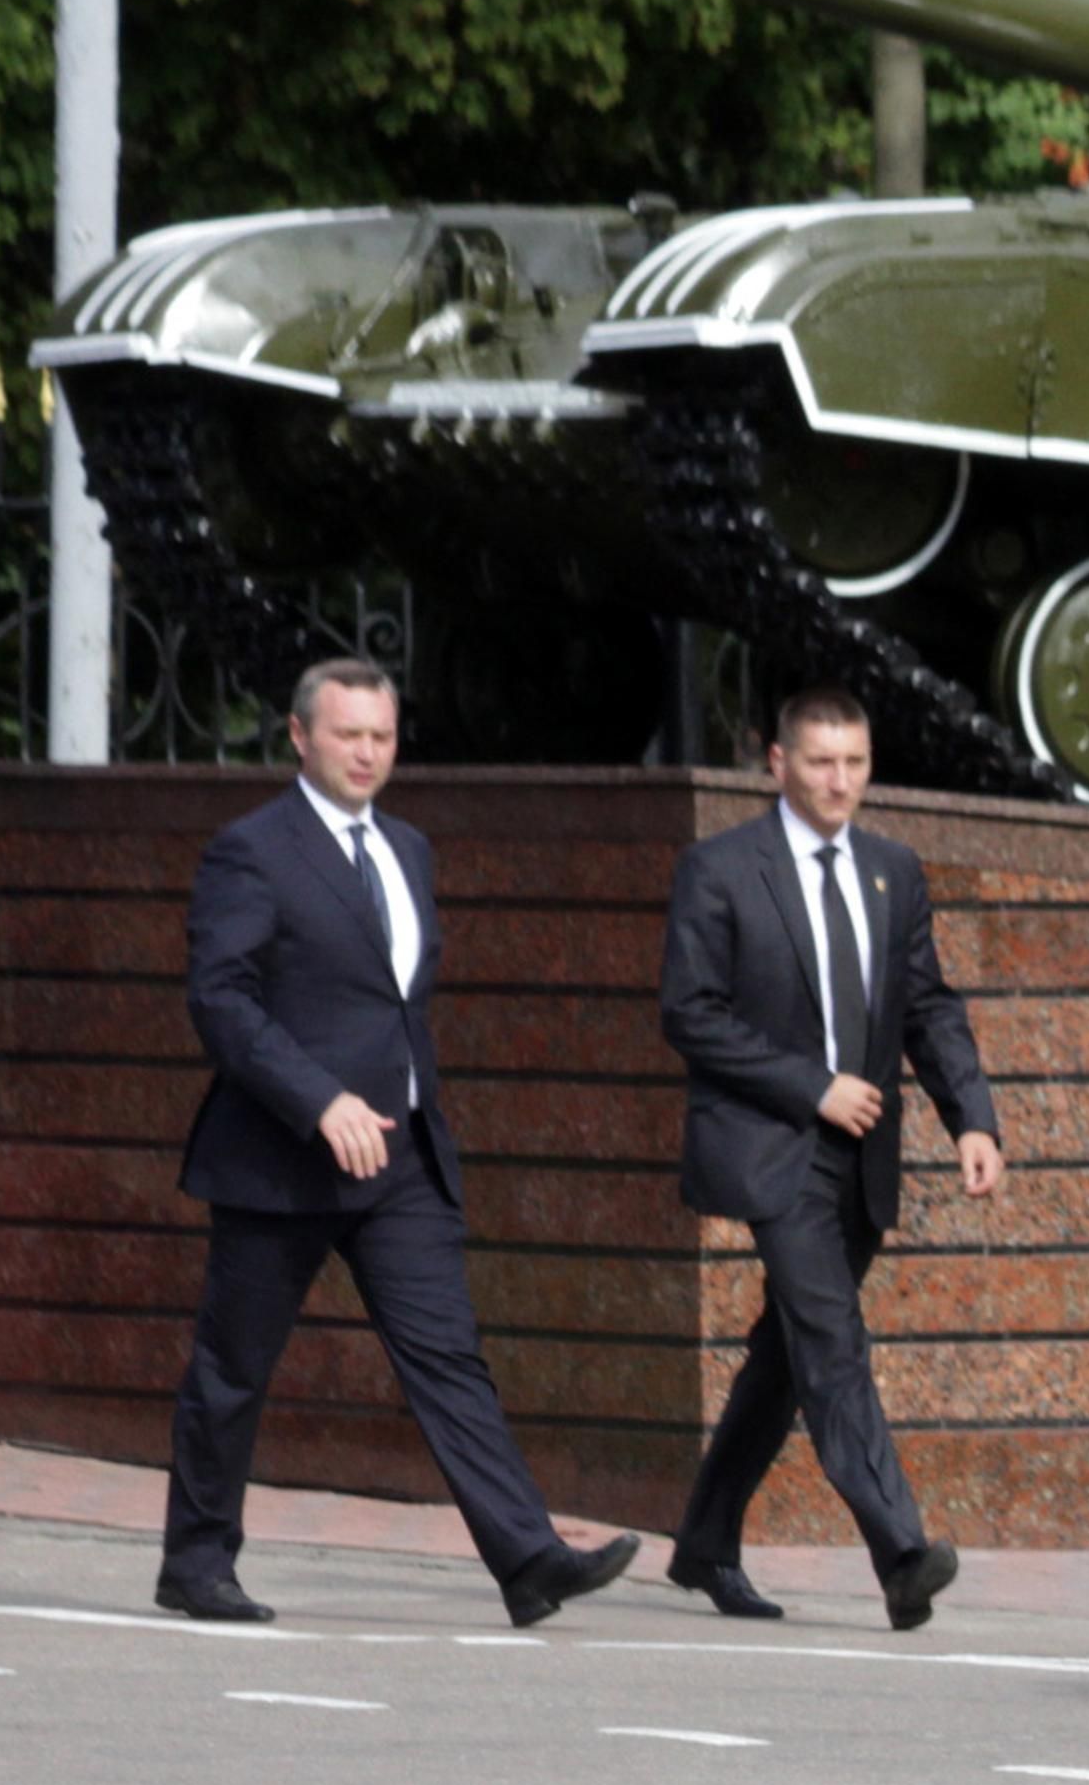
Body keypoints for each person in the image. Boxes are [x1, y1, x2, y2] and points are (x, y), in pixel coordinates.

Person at [158, 661, 639, 1628]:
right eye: (348, 735)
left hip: (400, 1156)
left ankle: (526, 1557)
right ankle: (196, 1560)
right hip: (285, 1155)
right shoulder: (252, 851)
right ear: (300, 737)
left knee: (449, 1355)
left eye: (382, 735)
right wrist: (317, 1098)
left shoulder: (408, 848)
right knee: (234, 1367)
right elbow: (222, 997)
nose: (369, 753)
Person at [657, 689, 1002, 1629]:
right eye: (819, 761)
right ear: (776, 763)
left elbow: (927, 1004)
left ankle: (704, 1544)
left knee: (788, 1356)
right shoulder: (721, 869)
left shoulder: (893, 869)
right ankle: (900, 1552)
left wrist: (972, 1117)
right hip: (773, 1147)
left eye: (854, 762)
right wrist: (811, 1085)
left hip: (862, 1158)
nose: (839, 780)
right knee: (833, 1341)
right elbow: (690, 1013)